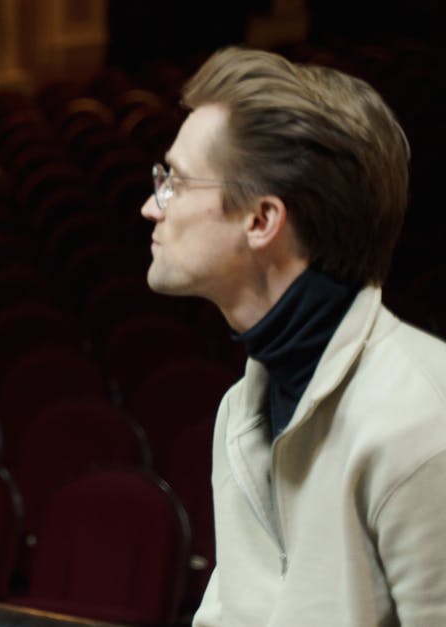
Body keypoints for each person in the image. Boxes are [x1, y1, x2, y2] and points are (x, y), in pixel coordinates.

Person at [141, 47, 446, 625]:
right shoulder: (241, 410)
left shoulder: (426, 417)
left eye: (174, 181)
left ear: (261, 221)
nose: (150, 207)